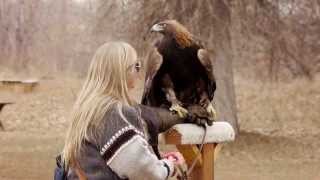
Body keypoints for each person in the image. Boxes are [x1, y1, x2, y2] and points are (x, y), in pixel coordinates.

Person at [59, 41, 208, 180]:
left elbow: (115, 157)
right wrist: (169, 165)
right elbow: (144, 171)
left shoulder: (90, 109)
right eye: (136, 66)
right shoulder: (115, 113)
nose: (139, 71)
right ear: (121, 72)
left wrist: (155, 158)